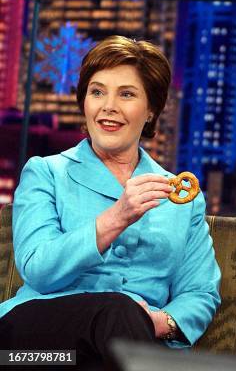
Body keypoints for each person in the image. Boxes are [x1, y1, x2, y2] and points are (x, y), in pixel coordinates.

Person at [0, 36, 221, 367]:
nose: (108, 106)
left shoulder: (181, 198)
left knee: (113, 344)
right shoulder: (46, 173)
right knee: (118, 311)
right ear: (84, 102)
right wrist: (116, 217)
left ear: (150, 111)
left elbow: (200, 292)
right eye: (97, 91)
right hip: (33, 346)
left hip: (120, 346)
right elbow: (38, 269)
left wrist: (160, 322)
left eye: (127, 94)